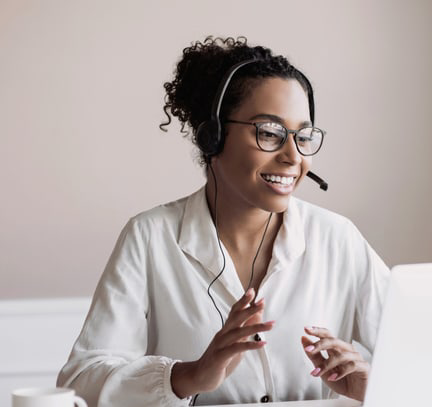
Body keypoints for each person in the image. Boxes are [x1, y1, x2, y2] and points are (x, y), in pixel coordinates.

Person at [57, 36, 390, 406]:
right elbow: (81, 380)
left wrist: (371, 386)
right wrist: (190, 375)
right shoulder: (150, 236)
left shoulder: (338, 238)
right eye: (269, 133)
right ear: (212, 138)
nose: (293, 157)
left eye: (303, 136)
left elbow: (429, 360)